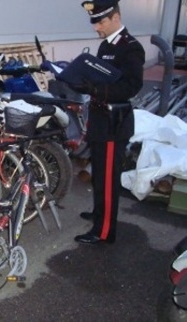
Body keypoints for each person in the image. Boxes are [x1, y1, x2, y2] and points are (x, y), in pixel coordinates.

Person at [71, 0, 145, 244]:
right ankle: (99, 214)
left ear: (116, 17)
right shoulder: (105, 46)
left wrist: (96, 89)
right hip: (100, 121)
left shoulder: (131, 48)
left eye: (100, 21)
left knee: (108, 179)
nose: (96, 27)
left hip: (114, 124)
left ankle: (104, 232)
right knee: (99, 174)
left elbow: (131, 86)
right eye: (94, 22)